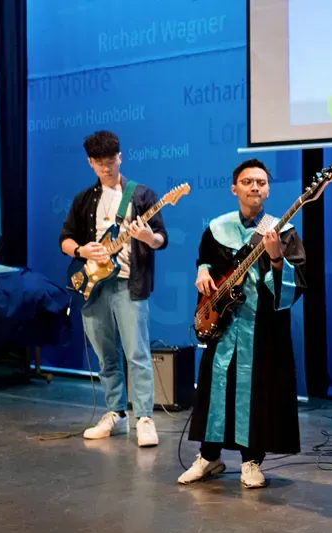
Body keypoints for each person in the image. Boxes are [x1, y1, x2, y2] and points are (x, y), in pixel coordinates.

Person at [178, 158, 310, 489]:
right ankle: (209, 457)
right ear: (234, 187)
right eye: (248, 181)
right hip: (224, 325)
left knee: (257, 393)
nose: (255, 187)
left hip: (262, 328)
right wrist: (202, 270)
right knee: (215, 389)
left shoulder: (282, 230)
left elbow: (296, 283)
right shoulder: (217, 227)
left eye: (262, 182)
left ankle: (251, 461)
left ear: (268, 189)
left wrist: (276, 257)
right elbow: (205, 257)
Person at [59, 130, 168, 447]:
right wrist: (82, 251)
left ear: (120, 157)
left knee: (137, 354)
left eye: (112, 161)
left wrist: (147, 238)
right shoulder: (83, 199)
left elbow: (161, 238)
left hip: (129, 284)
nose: (108, 168)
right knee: (106, 356)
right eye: (100, 163)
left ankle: (144, 418)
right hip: (93, 286)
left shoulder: (142, 195)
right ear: (90, 163)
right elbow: (64, 240)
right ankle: (115, 413)